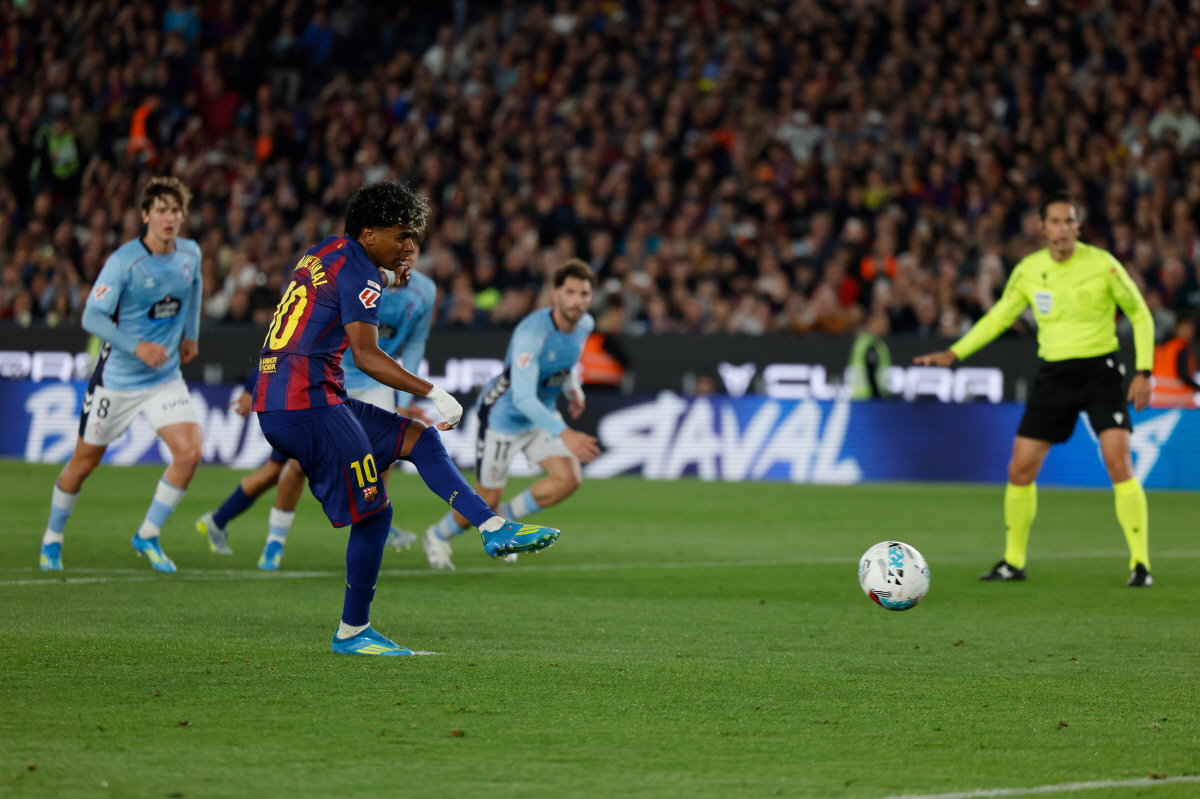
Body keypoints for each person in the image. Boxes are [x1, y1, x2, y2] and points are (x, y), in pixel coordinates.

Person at [252, 179, 561, 656]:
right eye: (401, 236)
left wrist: (391, 275)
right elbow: (368, 356)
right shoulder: (363, 274)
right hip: (305, 404)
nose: (410, 246)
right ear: (370, 233)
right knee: (375, 513)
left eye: (413, 237)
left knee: (419, 440)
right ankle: (353, 632)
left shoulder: (327, 251)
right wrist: (434, 391)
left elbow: (352, 288)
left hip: (295, 396)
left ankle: (491, 527)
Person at [915, 191, 1156, 587]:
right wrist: (953, 353)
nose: (1063, 229)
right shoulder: (1029, 270)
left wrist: (1143, 371)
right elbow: (998, 318)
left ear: (1078, 227)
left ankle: (1140, 563)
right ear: (1041, 227)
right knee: (1020, 468)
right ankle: (1013, 561)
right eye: (1055, 222)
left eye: (1070, 221)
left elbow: (1140, 314)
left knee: (1119, 462)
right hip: (1053, 376)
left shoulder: (1103, 266)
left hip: (1101, 373)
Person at [196, 247, 437, 569]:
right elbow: (292, 334)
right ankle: (270, 541)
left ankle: (377, 515)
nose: (406, 253)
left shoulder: (425, 291)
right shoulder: (353, 275)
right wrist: (250, 384)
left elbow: (416, 343)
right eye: (400, 244)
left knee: (386, 452)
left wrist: (405, 401)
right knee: (290, 466)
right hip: (328, 379)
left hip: (376, 382)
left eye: (411, 245)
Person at [39, 177, 203, 573]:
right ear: (145, 215)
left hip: (164, 377)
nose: (169, 217)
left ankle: (147, 534)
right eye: (161, 210)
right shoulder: (123, 262)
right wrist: (138, 346)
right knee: (82, 464)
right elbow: (91, 316)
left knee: (190, 451)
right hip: (118, 381)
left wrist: (191, 334)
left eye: (175, 210)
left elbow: (195, 286)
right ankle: (52, 539)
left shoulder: (190, 253)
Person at [422, 259, 601, 570]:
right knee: (485, 499)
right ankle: (436, 536)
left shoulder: (585, 325)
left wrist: (574, 390)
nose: (578, 301)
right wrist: (565, 432)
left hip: (538, 416)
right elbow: (521, 397)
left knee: (569, 478)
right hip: (503, 418)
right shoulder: (531, 333)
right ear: (555, 294)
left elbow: (564, 362)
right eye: (570, 292)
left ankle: (506, 521)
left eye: (584, 294)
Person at [1149, 314, 1199, 409]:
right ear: (1176, 328)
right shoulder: (1180, 348)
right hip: (1178, 399)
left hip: (1158, 399)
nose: (1189, 331)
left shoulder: (1162, 347)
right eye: (1185, 328)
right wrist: (1197, 388)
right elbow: (1183, 375)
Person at [848, 310, 892, 400]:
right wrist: (878, 396)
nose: (885, 323)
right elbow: (871, 373)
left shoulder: (879, 345)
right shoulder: (868, 344)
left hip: (870, 399)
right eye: (881, 320)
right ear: (871, 322)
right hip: (866, 399)